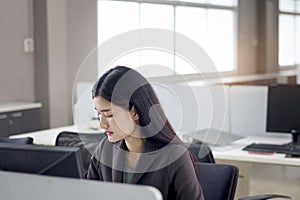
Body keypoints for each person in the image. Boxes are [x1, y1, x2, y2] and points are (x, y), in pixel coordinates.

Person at [87, 66, 204, 200]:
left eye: (109, 115)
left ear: (135, 112)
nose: (102, 124)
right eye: (98, 114)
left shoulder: (174, 157)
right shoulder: (104, 149)